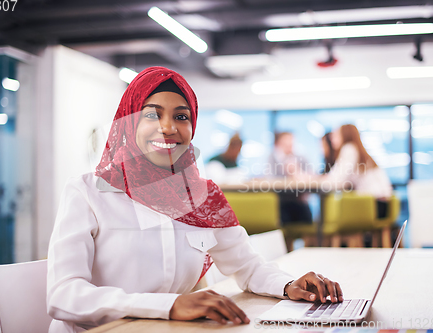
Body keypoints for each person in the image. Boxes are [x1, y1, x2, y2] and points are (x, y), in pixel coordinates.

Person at [46, 67, 343, 333]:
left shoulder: (204, 198)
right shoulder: (88, 192)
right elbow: (64, 295)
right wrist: (170, 306)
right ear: (129, 121)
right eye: (152, 114)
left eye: (181, 116)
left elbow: (248, 267)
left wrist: (290, 285)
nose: (168, 127)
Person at [322, 124, 393, 218]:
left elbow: (336, 180)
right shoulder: (358, 150)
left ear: (345, 135)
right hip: (382, 204)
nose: (332, 139)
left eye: (336, 135)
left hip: (373, 205)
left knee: (334, 212)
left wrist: (312, 180)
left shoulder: (349, 149)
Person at [267, 132, 313, 224]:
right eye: (285, 144)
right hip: (281, 201)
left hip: (299, 199)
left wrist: (296, 171)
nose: (289, 147)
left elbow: (311, 177)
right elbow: (269, 179)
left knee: (306, 217)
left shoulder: (300, 158)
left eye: (291, 144)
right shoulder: (272, 159)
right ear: (278, 145)